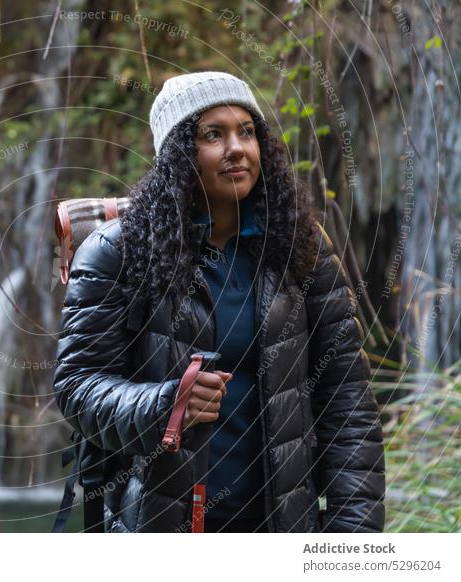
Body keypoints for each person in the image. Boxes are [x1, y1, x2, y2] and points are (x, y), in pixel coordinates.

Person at [53, 71, 385, 533]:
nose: (236, 147)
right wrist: (166, 406)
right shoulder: (118, 253)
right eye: (214, 134)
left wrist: (352, 539)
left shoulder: (300, 249)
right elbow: (77, 386)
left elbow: (346, 402)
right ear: (178, 156)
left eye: (246, 132)